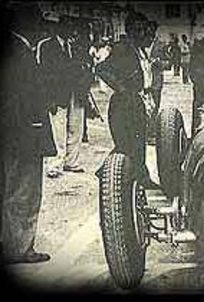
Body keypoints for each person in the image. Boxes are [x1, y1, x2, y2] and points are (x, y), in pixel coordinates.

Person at [0, 3, 56, 264]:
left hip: (8, 135)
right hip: (24, 136)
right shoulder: (21, 52)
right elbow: (21, 99)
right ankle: (20, 248)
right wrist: (33, 128)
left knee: (8, 188)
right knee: (25, 192)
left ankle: (7, 241)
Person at [95, 10, 156, 188]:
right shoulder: (123, 48)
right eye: (139, 29)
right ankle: (110, 174)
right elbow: (102, 68)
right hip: (124, 104)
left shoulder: (138, 49)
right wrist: (122, 89)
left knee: (137, 144)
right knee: (126, 145)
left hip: (137, 101)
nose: (143, 33)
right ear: (130, 30)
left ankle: (140, 178)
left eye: (144, 29)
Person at [38, 14, 90, 176]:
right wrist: (49, 98)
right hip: (57, 94)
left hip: (76, 93)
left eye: (72, 26)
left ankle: (71, 161)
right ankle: (55, 165)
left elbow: (85, 68)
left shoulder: (76, 46)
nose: (71, 30)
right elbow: (43, 74)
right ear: (59, 27)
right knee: (58, 130)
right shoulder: (46, 46)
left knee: (76, 128)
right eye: (67, 26)